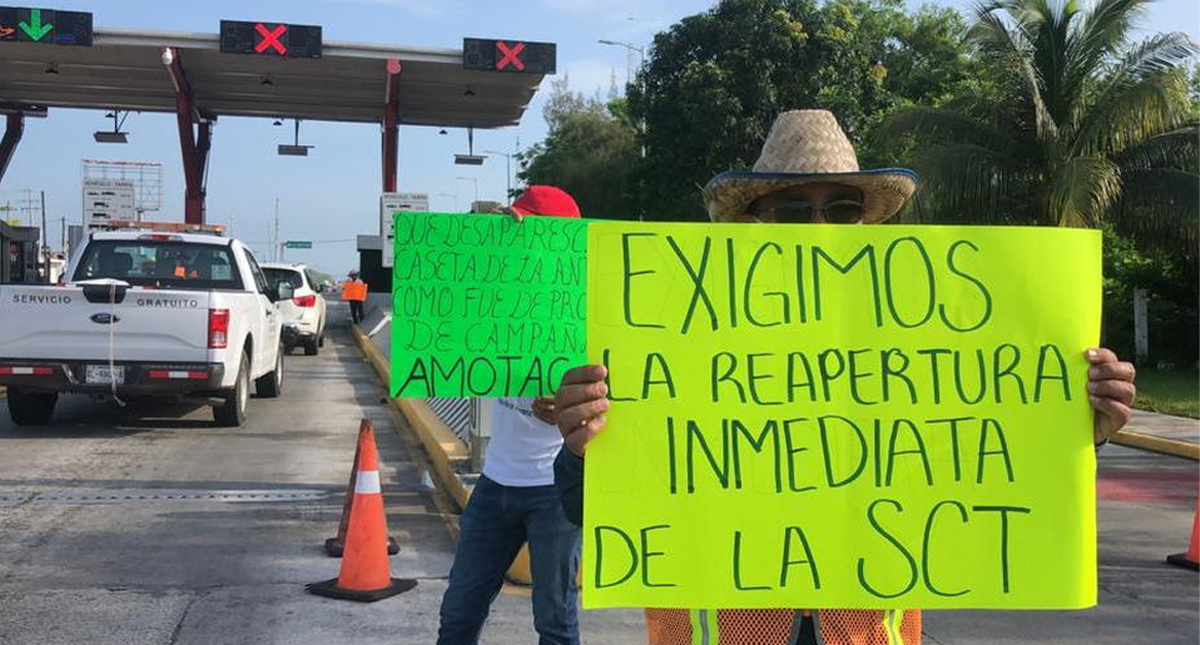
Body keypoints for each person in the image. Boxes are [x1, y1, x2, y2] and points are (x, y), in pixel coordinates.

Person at [551, 110, 1138, 645]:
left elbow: (989, 461)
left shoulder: (919, 342)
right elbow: (587, 507)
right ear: (752, 224)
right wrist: (582, 446)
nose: (819, 228)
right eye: (793, 209)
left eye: (840, 210)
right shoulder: (672, 335)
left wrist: (1082, 424)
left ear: (864, 224)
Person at [437, 186, 585, 645]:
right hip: (495, 485)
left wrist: (568, 412)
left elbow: (614, 399)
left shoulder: (587, 312)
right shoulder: (497, 297)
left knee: (556, 626)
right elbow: (454, 264)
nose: (513, 236)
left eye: (525, 226)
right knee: (458, 615)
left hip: (555, 493)